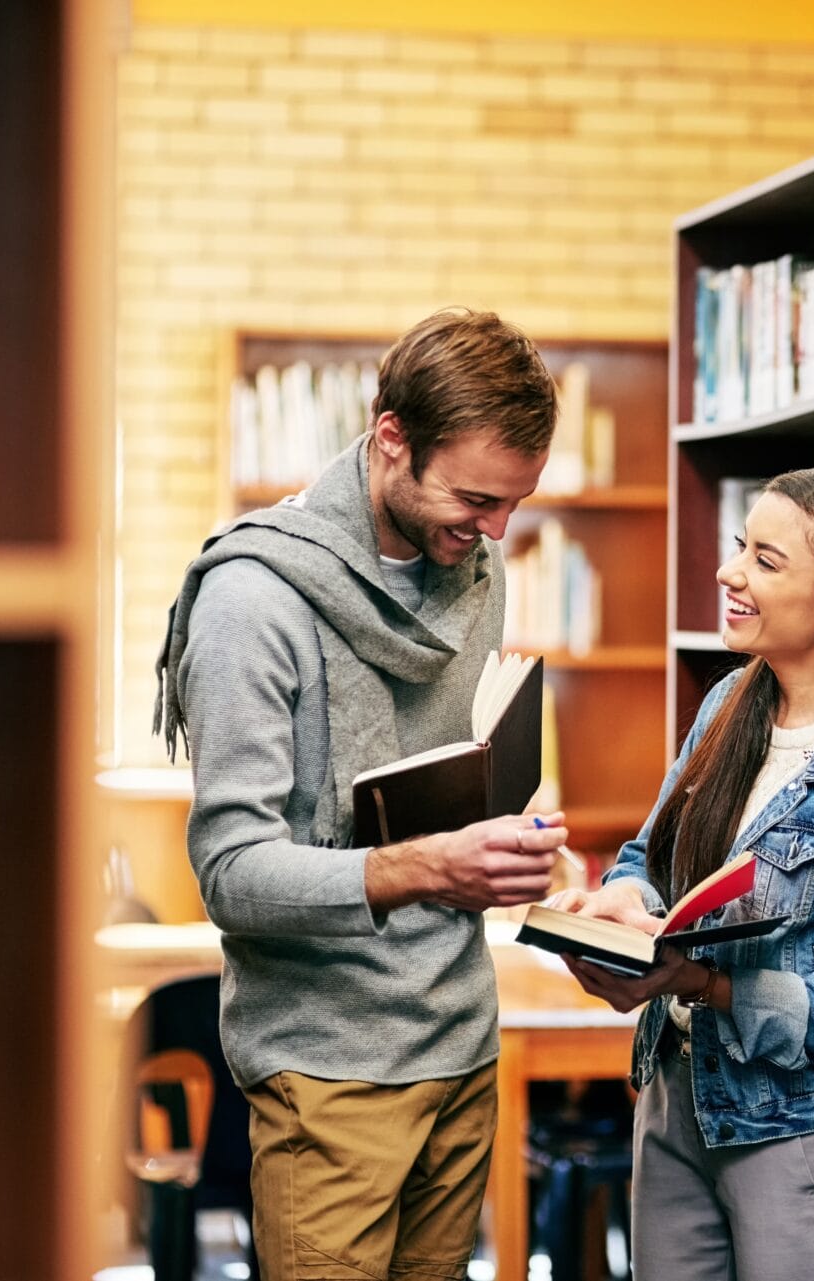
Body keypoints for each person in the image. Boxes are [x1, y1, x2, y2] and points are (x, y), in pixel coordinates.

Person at [152, 307, 573, 1281]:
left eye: (517, 503)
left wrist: (506, 836)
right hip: (326, 1067)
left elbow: (438, 776)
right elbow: (231, 874)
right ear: (391, 440)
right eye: (475, 498)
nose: (497, 532)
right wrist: (428, 866)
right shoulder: (254, 600)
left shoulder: (473, 565)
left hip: (462, 1041)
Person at [548, 467, 814, 1281]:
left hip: (802, 1138)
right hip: (678, 1101)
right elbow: (647, 859)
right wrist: (618, 908)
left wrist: (701, 981)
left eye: (767, 561)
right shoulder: (727, 707)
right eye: (741, 545)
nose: (729, 570)